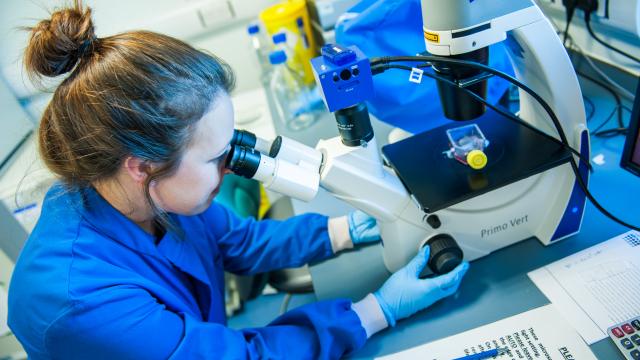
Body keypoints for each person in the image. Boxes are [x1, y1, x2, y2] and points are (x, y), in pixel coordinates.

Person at [7, 2, 469, 359]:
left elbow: (236, 241)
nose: (230, 166)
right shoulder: (80, 303)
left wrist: (347, 229)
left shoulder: (135, 192)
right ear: (141, 163)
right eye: (215, 157)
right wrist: (375, 313)